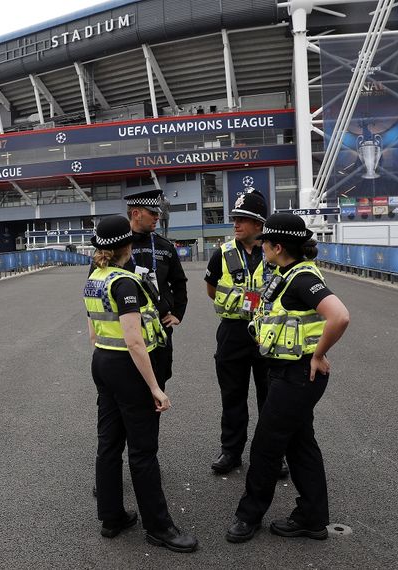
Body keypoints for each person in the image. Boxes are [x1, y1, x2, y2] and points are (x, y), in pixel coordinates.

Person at [226, 213, 350, 543]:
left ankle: (248, 516)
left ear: (278, 246)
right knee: (299, 444)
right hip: (286, 371)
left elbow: (339, 316)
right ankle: (311, 517)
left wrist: (319, 353)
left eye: (265, 242)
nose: (261, 246)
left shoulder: (301, 278)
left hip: (297, 375)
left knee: (267, 446)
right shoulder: (285, 274)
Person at [84, 215, 198, 553]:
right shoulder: (125, 283)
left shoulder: (95, 278)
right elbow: (135, 341)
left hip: (103, 360)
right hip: (128, 367)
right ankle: (159, 527)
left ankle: (112, 517)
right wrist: (154, 387)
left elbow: (92, 331)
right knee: (143, 450)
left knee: (109, 443)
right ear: (126, 246)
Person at [204, 190, 288, 476]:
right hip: (233, 332)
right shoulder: (222, 253)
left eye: (243, 219)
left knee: (271, 398)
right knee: (233, 396)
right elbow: (211, 289)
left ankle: (273, 455)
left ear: (259, 225)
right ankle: (231, 450)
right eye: (235, 219)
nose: (236, 224)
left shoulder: (276, 252)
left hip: (268, 332)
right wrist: (239, 306)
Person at [123, 189, 188, 385]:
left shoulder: (164, 246)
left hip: (159, 328)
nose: (158, 217)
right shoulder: (117, 247)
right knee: (129, 386)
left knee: (158, 383)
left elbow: (179, 282)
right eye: (152, 213)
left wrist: (177, 313)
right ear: (136, 214)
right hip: (127, 328)